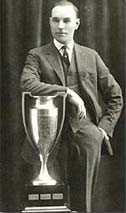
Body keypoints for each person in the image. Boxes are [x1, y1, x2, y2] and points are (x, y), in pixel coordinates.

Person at [20, 1, 123, 212]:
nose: (61, 26)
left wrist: (102, 130)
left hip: (86, 136)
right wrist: (66, 92)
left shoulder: (91, 56)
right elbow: (27, 83)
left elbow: (115, 95)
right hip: (48, 136)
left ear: (76, 23)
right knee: (50, 201)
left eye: (66, 20)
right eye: (56, 20)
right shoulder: (37, 55)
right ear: (49, 23)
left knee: (82, 203)